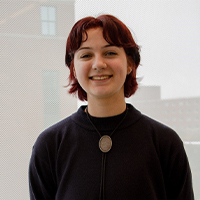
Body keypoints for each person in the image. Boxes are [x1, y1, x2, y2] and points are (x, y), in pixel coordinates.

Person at [29, 14, 194, 200]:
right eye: (86, 55)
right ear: (74, 68)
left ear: (130, 63)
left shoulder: (165, 143)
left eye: (110, 53)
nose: (99, 64)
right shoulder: (50, 145)